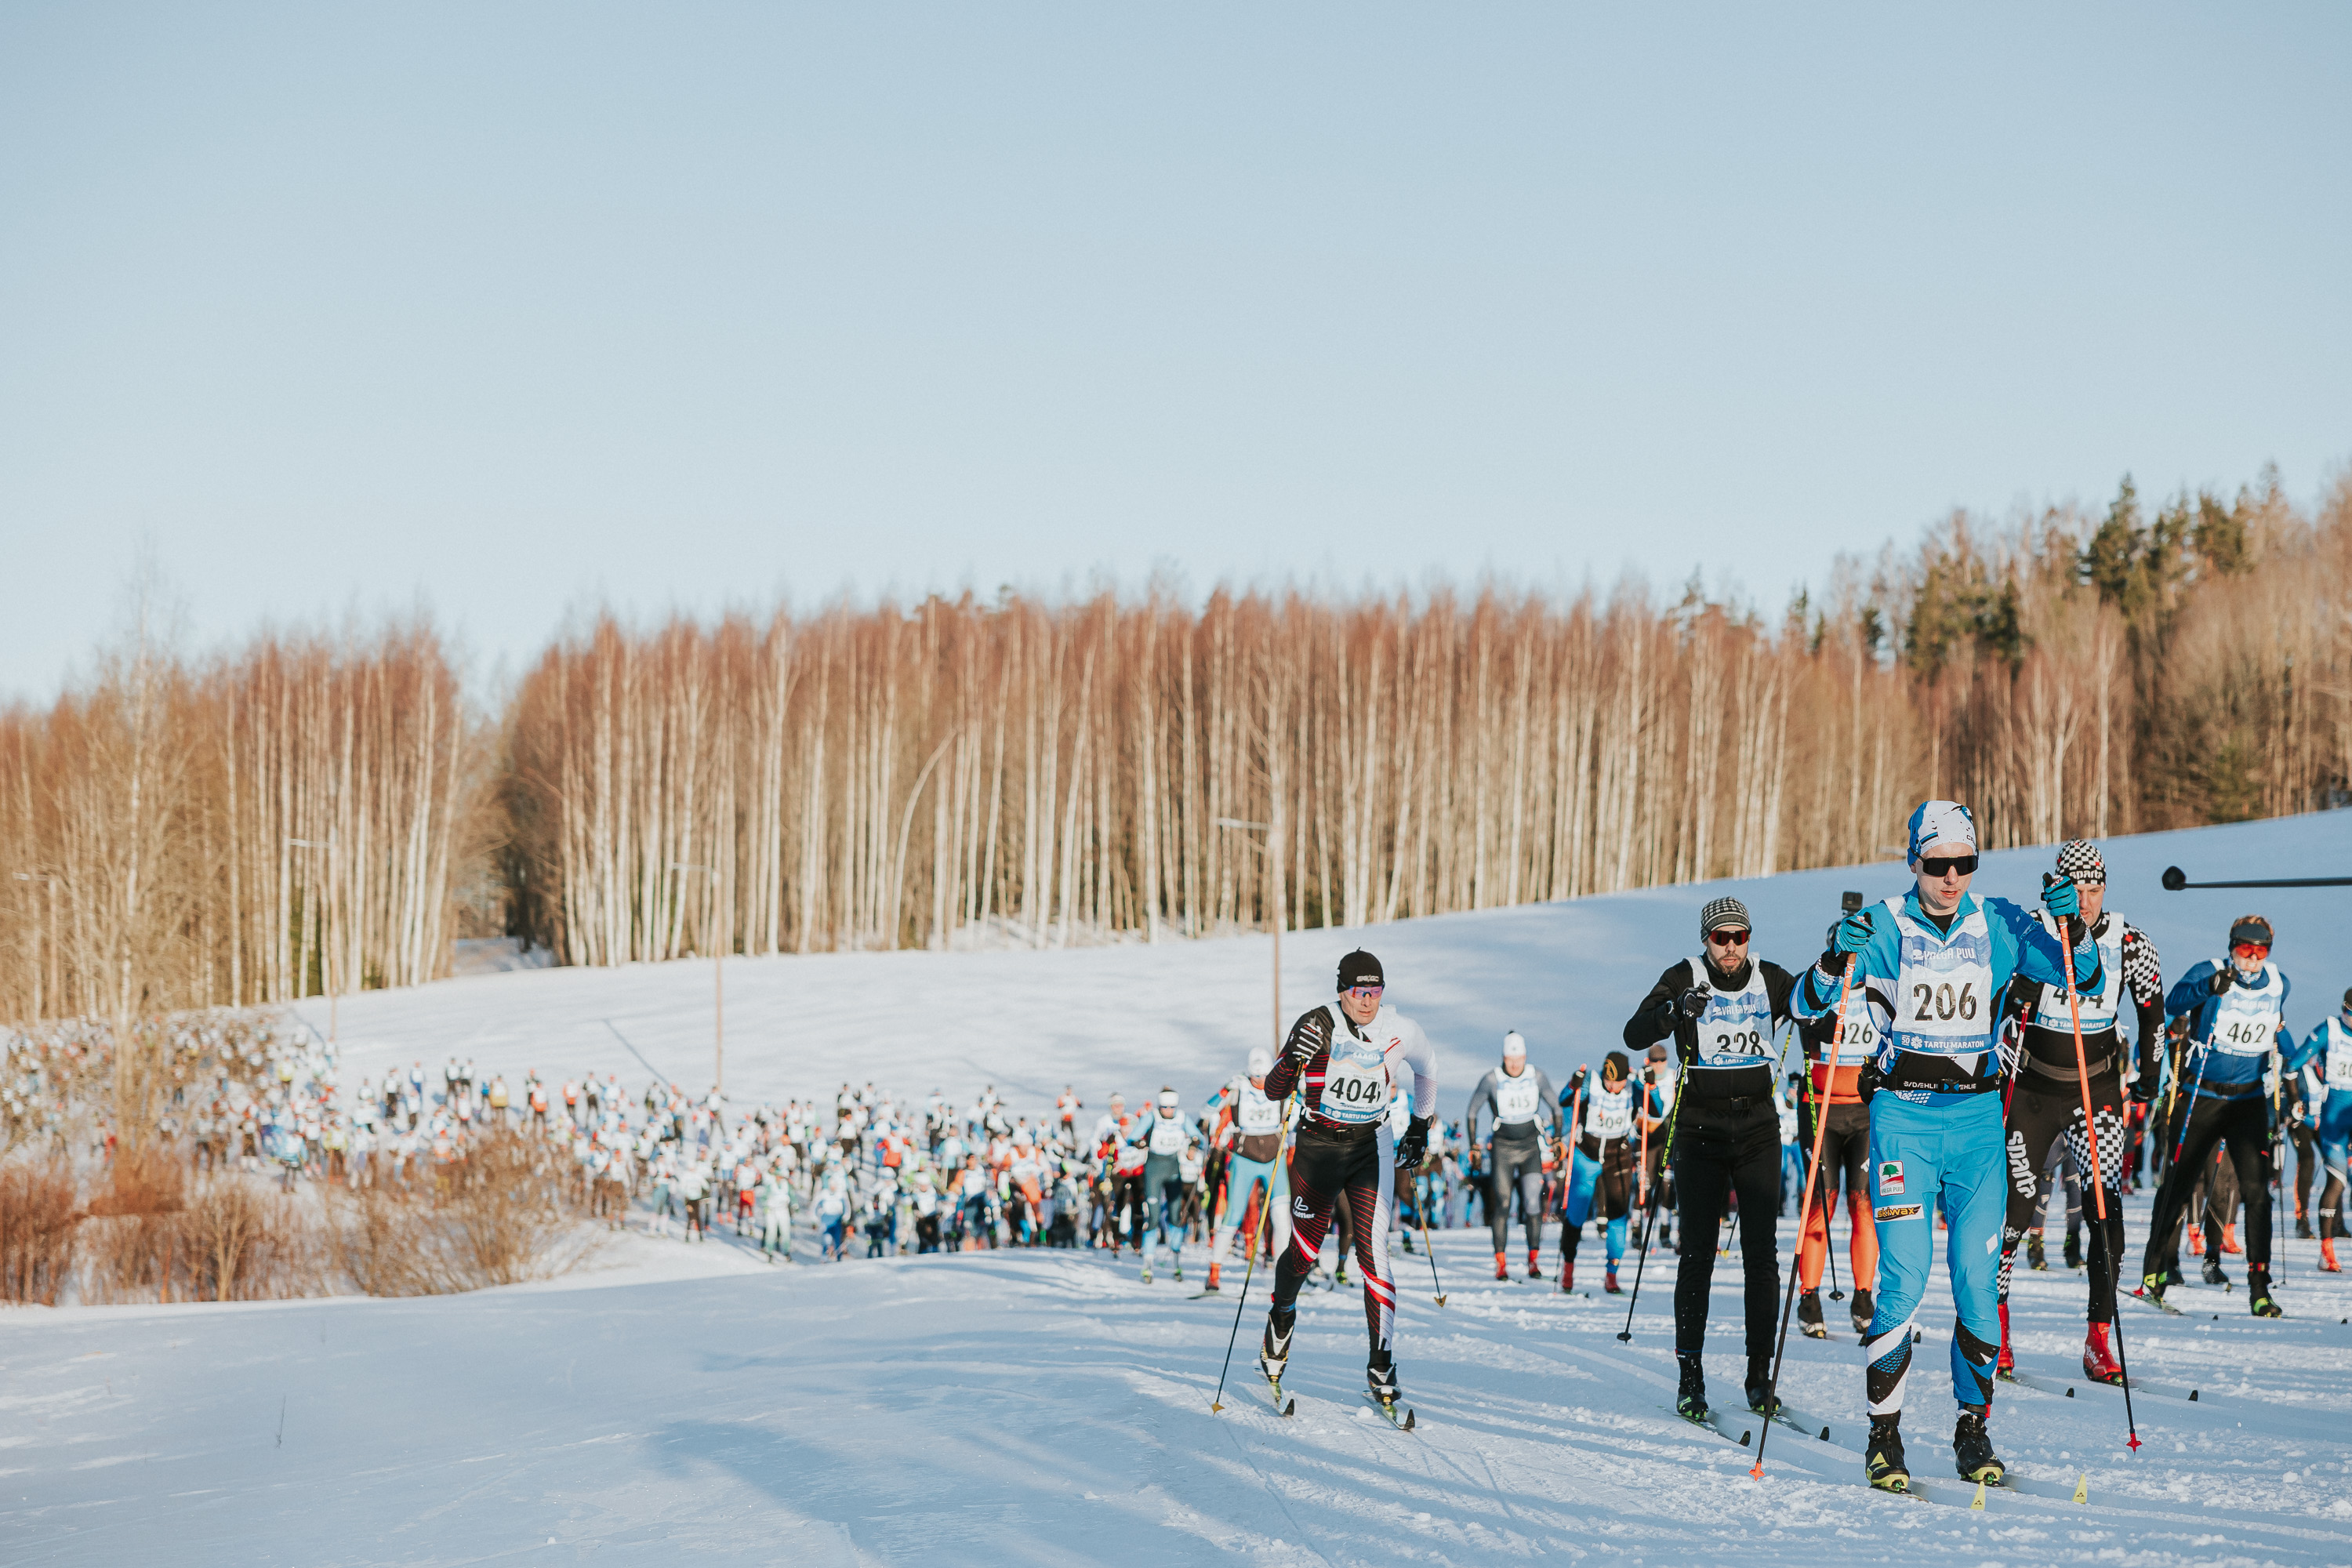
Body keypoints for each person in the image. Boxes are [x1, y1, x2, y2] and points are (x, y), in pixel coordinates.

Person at [1794, 800, 2097, 1494]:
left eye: (1965, 862)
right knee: (1902, 1281)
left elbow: (2085, 981)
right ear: (1914, 864)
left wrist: (2070, 925)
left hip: (1979, 1126)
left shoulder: (2002, 923)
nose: (1953, 877)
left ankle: (1971, 1429)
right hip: (1904, 1118)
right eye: (1938, 865)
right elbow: (1810, 1006)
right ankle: (1884, 1437)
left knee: (1976, 1284)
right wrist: (1834, 953)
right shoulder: (1883, 924)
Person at [1623, 895, 1800, 1424]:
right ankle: (1690, 1374)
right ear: (1706, 939)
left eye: (1738, 937)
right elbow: (1635, 1033)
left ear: (1749, 938)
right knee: (1696, 1252)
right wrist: (1673, 1011)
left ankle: (1758, 1374)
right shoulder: (1684, 975)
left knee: (1761, 1255)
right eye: (1720, 937)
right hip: (1699, 1127)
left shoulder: (1771, 978)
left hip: (1758, 1128)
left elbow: (1815, 1007)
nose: (1729, 947)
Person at [1992, 840, 2163, 1383]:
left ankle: (2098, 1340)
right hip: (2033, 1092)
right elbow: (1997, 1001)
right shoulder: (2032, 935)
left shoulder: (2130, 941)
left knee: (2104, 1215)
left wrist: (2151, 1078)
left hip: (2097, 1091)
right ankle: (1994, 1330)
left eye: (2094, 891)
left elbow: (2153, 1016)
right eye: (2075, 891)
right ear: (2057, 888)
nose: (2085, 902)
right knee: (2016, 1212)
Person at [1258, 949, 1437, 1415]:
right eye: (1358, 991)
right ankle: (1281, 1318)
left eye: (1375, 991)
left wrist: (1420, 1124)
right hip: (1318, 1146)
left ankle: (1382, 1363)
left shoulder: (1402, 1030)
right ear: (1342, 991)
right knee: (1305, 1252)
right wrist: (1289, 1063)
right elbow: (1274, 1091)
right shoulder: (1316, 1024)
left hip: (1370, 1147)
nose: (1367, 1000)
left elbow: (1428, 1068)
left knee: (1374, 1255)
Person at [2140, 914, 2296, 1316]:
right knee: (2178, 1183)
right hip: (2202, 1096)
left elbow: (2277, 1029)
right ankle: (2154, 1273)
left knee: (2257, 1193)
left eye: (2260, 950)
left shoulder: (2280, 983)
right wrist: (2206, 989)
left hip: (2247, 1103)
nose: (2252, 957)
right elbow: (2169, 1004)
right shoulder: (2210, 971)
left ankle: (2259, 1289)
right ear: (2232, 946)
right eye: (2245, 948)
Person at [1794, 920, 1886, 1341]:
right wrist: (1814, 1026)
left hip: (1866, 1114)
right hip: (1822, 1111)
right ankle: (1809, 1295)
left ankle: (1864, 1295)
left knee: (1864, 1204)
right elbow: (1795, 1008)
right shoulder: (1818, 987)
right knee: (1821, 1204)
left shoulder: (1879, 987)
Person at [1465, 1032, 1563, 1281]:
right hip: (1503, 1148)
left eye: (1518, 1059)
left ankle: (1533, 1261)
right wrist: (1473, 1145)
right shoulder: (1491, 1079)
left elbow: (1556, 1107)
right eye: (1510, 1059)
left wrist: (1559, 1138)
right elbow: (1472, 1111)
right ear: (1503, 1058)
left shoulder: (1536, 1076)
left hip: (1530, 1146)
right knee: (1503, 1205)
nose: (1515, 1064)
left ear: (1525, 1057)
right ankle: (1501, 1264)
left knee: (1532, 1204)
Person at [1207, 1047, 1290, 1294]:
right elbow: (1207, 1111)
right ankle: (1214, 1275)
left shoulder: (1282, 1085)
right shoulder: (1238, 1088)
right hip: (1245, 1159)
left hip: (1274, 1158)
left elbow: (1301, 1113)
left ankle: (1284, 1279)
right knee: (1233, 1217)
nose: (1262, 1082)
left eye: (1265, 1077)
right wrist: (1224, 1089)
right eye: (1257, 1078)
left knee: (1282, 1220)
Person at [1557, 1051, 1640, 1293]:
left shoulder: (1633, 1086)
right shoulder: (1591, 1083)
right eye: (1609, 1080)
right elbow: (1565, 1099)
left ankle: (1611, 1275)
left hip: (1618, 1157)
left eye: (1618, 1082)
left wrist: (1650, 1086)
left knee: (1618, 1217)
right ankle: (1568, 1269)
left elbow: (1655, 1108)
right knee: (1576, 1215)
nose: (1613, 1086)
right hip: (1587, 1156)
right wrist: (1574, 1083)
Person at [2299, 989, 2352, 1272]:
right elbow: (2292, 1064)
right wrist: (2294, 1101)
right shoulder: (2328, 1030)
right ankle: (2326, 1251)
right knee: (2336, 1181)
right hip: (2331, 1116)